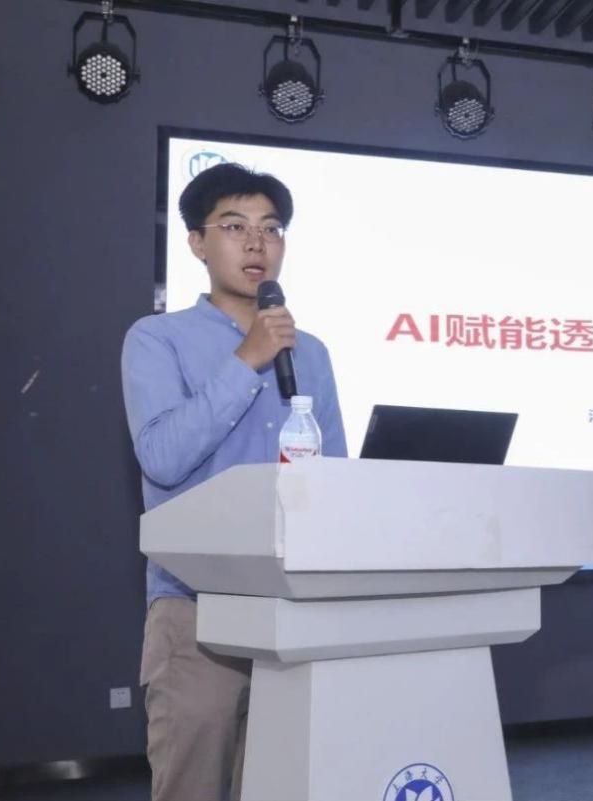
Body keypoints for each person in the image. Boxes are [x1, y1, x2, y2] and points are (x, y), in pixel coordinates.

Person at [121, 162, 347, 801]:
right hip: (198, 610)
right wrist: (248, 359)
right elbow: (162, 457)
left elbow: (335, 477)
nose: (256, 243)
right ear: (197, 242)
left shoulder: (312, 352)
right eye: (235, 226)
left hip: (292, 610)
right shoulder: (156, 339)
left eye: (271, 229)